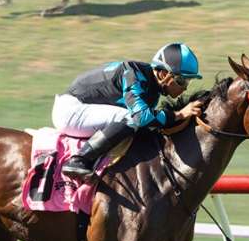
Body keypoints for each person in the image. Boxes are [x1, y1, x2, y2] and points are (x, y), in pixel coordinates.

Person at [53, 42, 204, 180]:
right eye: (181, 81)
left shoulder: (152, 89)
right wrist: (179, 114)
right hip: (70, 110)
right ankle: (78, 160)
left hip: (83, 109)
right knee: (130, 117)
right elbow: (141, 117)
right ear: (163, 74)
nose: (185, 88)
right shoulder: (133, 74)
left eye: (188, 82)